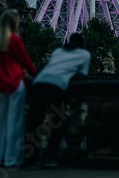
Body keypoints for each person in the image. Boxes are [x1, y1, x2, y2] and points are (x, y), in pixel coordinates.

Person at [0, 9, 37, 167]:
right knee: (15, 122)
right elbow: (26, 62)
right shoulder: (15, 40)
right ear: (14, 23)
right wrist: (36, 74)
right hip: (14, 83)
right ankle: (12, 159)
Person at [25, 32, 91, 169]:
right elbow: (79, 75)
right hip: (57, 87)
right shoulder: (85, 55)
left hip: (38, 84)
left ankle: (30, 160)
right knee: (56, 123)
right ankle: (49, 157)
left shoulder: (58, 51)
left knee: (34, 123)